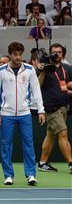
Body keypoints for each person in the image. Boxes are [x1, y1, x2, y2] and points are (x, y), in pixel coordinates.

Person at [0, 42, 45, 186]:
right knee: (6, 145)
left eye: (20, 54)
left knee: (28, 144)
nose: (17, 57)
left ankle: (31, 175)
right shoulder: (1, 71)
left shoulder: (29, 70)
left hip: (25, 113)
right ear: (10, 54)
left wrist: (41, 110)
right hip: (6, 114)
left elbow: (36, 91)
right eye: (15, 54)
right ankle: (8, 175)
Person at [37, 43, 72, 173]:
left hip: (63, 106)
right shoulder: (45, 68)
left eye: (59, 52)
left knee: (50, 135)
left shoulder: (68, 68)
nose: (57, 54)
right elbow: (37, 86)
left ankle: (42, 163)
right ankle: (71, 163)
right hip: (51, 107)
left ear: (63, 54)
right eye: (54, 52)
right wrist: (43, 71)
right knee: (63, 133)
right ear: (50, 53)